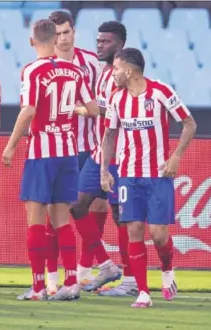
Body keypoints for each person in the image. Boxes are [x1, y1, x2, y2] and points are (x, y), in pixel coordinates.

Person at [2, 19, 98, 301]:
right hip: (68, 151)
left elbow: (29, 110)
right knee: (61, 221)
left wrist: (10, 145)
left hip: (41, 154)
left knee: (35, 222)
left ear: (32, 41)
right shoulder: (74, 70)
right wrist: (70, 111)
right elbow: (93, 109)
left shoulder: (32, 70)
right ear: (56, 40)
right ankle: (70, 283)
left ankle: (38, 287)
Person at [101, 47, 196, 308]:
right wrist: (104, 170)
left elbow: (189, 124)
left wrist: (176, 156)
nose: (113, 74)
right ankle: (143, 292)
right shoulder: (116, 99)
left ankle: (167, 270)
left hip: (158, 175)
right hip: (128, 175)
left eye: (116, 69)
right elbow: (109, 136)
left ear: (129, 71)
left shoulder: (161, 91)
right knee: (133, 230)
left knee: (158, 234)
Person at [45, 10, 110, 292]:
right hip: (57, 148)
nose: (62, 38)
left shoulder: (92, 64)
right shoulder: (42, 65)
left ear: (74, 32)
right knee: (54, 212)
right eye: (57, 34)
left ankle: (83, 270)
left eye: (66, 32)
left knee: (93, 206)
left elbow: (102, 106)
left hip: (89, 147)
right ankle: (54, 278)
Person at [84, 21, 138, 296]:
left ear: (120, 45)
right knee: (76, 204)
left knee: (121, 216)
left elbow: (115, 111)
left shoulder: (126, 74)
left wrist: (86, 108)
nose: (99, 45)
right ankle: (105, 264)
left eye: (105, 41)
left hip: (122, 156)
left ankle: (130, 280)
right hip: (99, 154)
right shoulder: (103, 73)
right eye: (98, 40)